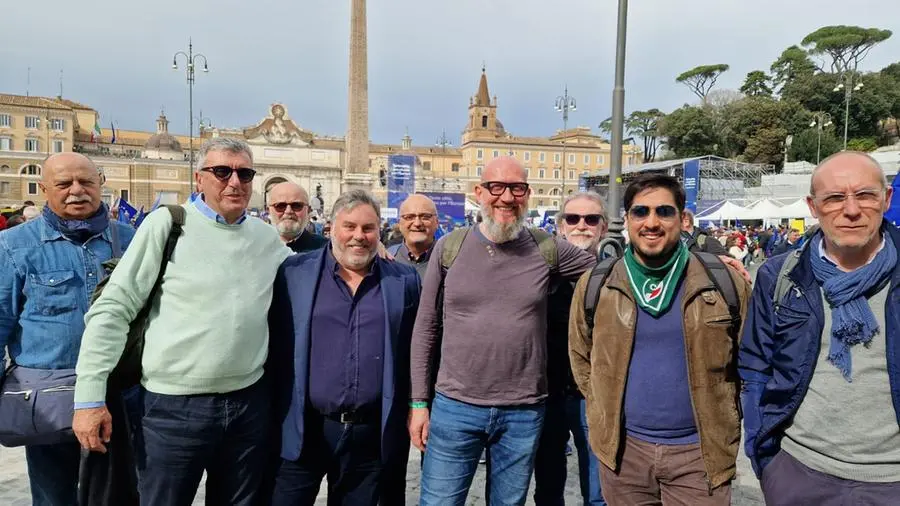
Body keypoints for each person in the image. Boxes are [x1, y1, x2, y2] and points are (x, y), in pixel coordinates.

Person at [72, 138, 291, 506]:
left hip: (248, 406)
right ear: (199, 178)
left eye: (245, 173)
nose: (234, 181)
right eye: (222, 171)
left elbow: (309, 276)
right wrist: (89, 398)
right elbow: (113, 307)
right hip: (173, 410)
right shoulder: (168, 224)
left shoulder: (266, 238)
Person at [409, 156, 595, 505]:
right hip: (455, 406)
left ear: (528, 194)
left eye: (517, 188)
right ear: (479, 192)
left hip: (523, 411)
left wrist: (697, 255)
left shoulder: (547, 248)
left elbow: (611, 273)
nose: (506, 198)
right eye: (496, 187)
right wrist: (420, 403)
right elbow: (426, 328)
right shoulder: (451, 248)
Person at [569, 174, 749, 506]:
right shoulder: (597, 284)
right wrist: (601, 407)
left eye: (664, 212)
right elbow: (581, 358)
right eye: (640, 212)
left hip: (699, 455)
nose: (651, 222)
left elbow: (748, 362)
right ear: (626, 221)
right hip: (625, 454)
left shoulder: (722, 281)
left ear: (683, 219)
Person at [740, 151, 900, 504]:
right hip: (799, 473)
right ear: (813, 206)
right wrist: (765, 458)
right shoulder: (779, 275)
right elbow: (755, 367)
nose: (852, 209)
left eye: (865, 195)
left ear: (886, 199)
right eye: (835, 198)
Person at [268, 190, 420, 505]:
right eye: (349, 227)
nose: (358, 236)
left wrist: (417, 406)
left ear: (380, 231)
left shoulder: (403, 280)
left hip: (369, 437)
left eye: (368, 228)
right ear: (331, 229)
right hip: (304, 431)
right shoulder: (294, 273)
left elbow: (414, 349)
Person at [0, 152, 134, 506]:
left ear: (100, 184)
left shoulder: (132, 240)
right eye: (64, 184)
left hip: (121, 396)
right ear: (45, 189)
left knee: (119, 494)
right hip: (50, 400)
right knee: (54, 496)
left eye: (86, 182)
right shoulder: (14, 246)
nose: (77, 190)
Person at [535, 191, 608, 505]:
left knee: (598, 491)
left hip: (594, 396)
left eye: (591, 219)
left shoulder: (619, 271)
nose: (582, 225)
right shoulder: (538, 270)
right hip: (545, 392)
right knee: (548, 489)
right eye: (573, 218)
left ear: (603, 227)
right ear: (560, 225)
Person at [267, 181, 327, 253]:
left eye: (297, 206)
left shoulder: (327, 250)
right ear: (268, 211)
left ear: (308, 210)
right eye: (280, 206)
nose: (288, 211)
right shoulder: (255, 247)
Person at [389, 194, 439, 278]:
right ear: (400, 224)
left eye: (425, 217)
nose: (417, 223)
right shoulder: (386, 259)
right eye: (409, 217)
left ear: (437, 222)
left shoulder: (450, 261)